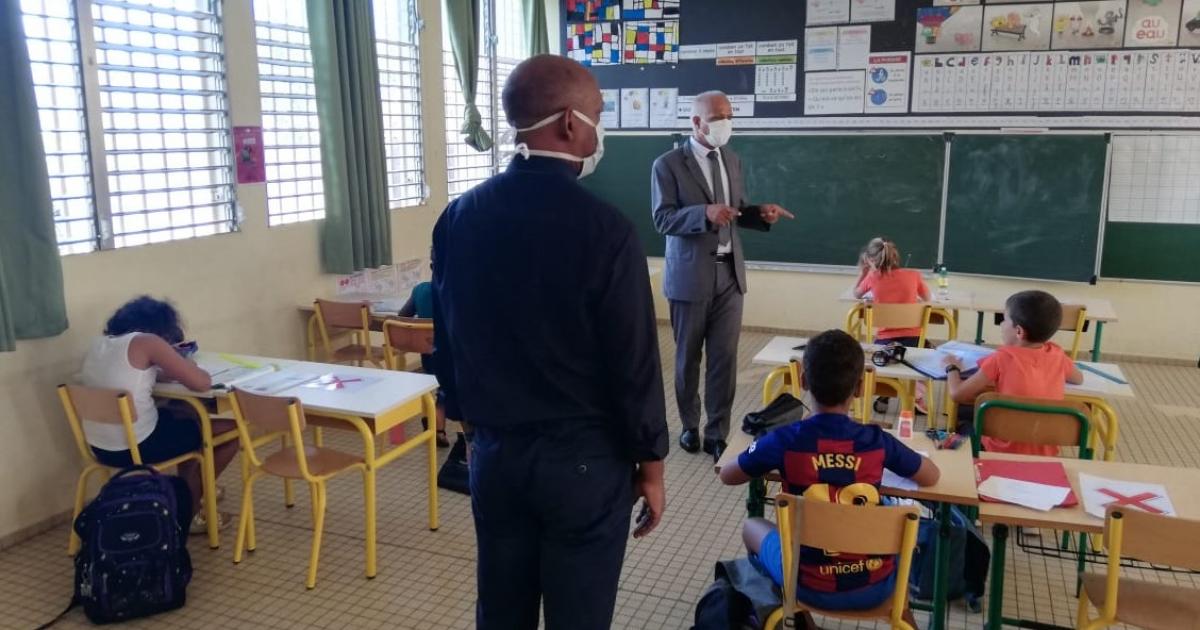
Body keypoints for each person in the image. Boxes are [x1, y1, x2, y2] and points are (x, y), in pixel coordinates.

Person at [431, 54, 668, 630]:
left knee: (502, 609)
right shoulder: (607, 230)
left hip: (495, 454)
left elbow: (448, 333)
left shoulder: (459, 216)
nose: (599, 129)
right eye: (598, 115)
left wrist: (466, 421)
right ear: (569, 122)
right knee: (579, 614)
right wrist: (652, 465)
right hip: (583, 462)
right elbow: (633, 361)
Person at [719, 330, 939, 626]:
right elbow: (931, 476)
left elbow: (728, 475)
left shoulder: (785, 440)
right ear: (860, 388)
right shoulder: (876, 440)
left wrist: (761, 447)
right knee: (895, 537)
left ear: (804, 381)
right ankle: (902, 616)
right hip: (876, 586)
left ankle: (797, 617)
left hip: (806, 584)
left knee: (751, 526)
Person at [651, 90, 795, 460]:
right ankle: (688, 426)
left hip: (730, 275)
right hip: (690, 277)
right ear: (695, 122)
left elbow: (735, 210)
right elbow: (662, 218)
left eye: (729, 115)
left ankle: (717, 431)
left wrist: (759, 213)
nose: (725, 123)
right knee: (687, 359)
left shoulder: (733, 160)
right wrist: (703, 213)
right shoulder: (667, 164)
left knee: (724, 359)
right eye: (717, 116)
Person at [78, 296, 238, 534]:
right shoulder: (148, 342)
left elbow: (135, 375)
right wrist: (184, 363)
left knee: (184, 412)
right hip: (139, 445)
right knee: (230, 431)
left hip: (100, 447)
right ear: (161, 327)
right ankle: (188, 511)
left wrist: (165, 372)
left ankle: (185, 492)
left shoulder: (99, 345)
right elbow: (202, 383)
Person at [943, 290, 1084, 455]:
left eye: (1004, 320)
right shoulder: (1057, 355)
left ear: (1019, 331)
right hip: (1045, 450)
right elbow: (1078, 378)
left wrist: (952, 368)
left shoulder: (1001, 358)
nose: (1002, 325)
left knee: (959, 415)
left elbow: (957, 394)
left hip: (999, 449)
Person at [852, 236, 932, 413]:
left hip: (884, 344)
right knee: (931, 353)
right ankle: (917, 395)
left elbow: (856, 294)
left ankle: (888, 389)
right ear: (896, 257)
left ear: (871, 260)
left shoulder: (872, 278)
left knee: (879, 351)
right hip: (915, 342)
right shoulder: (914, 275)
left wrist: (863, 273)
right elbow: (927, 299)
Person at [398, 257, 450, 448]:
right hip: (450, 354)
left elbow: (403, 316)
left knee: (434, 385)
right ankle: (445, 430)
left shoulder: (420, 290)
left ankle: (433, 425)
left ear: (431, 267)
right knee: (447, 388)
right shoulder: (456, 292)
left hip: (427, 354)